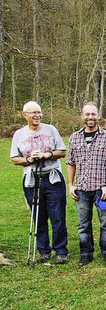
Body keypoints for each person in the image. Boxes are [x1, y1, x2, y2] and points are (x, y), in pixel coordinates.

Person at [10, 101, 69, 264]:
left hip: (52, 178)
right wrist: (30, 159)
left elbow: (62, 151)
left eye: (39, 112)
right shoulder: (19, 134)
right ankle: (44, 251)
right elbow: (15, 159)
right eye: (33, 113)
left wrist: (47, 155)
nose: (37, 115)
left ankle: (61, 251)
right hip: (31, 180)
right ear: (25, 115)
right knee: (38, 216)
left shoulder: (51, 130)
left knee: (58, 216)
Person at [66, 102, 106, 266]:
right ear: (82, 116)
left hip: (101, 190)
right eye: (87, 114)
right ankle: (86, 253)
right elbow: (70, 162)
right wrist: (70, 184)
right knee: (83, 225)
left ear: (98, 116)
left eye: (93, 114)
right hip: (81, 189)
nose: (90, 117)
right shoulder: (74, 137)